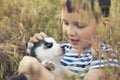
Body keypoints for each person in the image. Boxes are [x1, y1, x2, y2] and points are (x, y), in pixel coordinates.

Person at [18, 0, 119, 80]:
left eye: (80, 25)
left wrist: (40, 73)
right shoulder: (61, 48)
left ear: (103, 25)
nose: (70, 32)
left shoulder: (105, 56)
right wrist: (34, 51)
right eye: (65, 23)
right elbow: (22, 70)